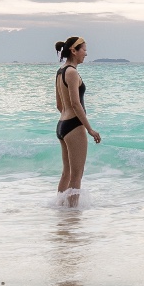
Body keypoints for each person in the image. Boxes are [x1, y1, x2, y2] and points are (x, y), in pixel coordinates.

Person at [53, 36, 100, 203]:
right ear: (74, 51)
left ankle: (60, 209)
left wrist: (66, 119)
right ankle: (72, 214)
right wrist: (89, 129)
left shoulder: (60, 72)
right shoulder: (72, 72)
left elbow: (60, 104)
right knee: (77, 175)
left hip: (62, 125)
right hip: (73, 125)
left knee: (66, 172)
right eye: (84, 50)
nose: (86, 54)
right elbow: (75, 103)